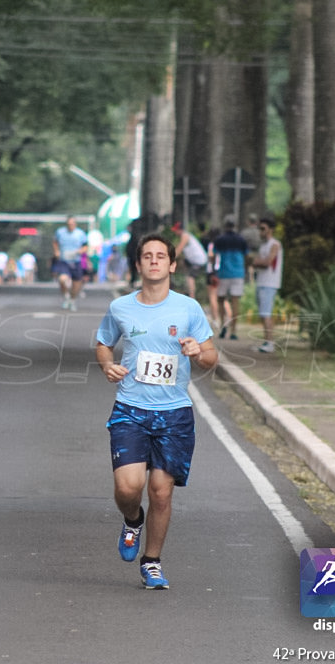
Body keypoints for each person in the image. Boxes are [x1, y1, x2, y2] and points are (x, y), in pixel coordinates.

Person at [95, 233, 219, 589]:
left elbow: (211, 358)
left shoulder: (189, 309)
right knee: (128, 488)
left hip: (174, 413)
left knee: (162, 492)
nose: (153, 260)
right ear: (138, 264)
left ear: (172, 265)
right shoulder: (121, 308)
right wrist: (107, 365)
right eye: (147, 255)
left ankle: (152, 561)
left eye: (160, 256)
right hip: (130, 409)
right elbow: (103, 344)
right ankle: (132, 519)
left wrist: (198, 352)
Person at [211, 216, 249, 340]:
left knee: (221, 300)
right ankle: (234, 331)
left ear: (225, 225)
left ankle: (223, 326)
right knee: (235, 302)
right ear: (235, 226)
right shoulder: (241, 240)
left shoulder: (220, 240)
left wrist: (213, 271)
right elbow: (247, 256)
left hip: (224, 273)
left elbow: (214, 257)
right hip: (238, 273)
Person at [251, 216, 282, 353]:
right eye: (260, 229)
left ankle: (270, 343)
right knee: (263, 313)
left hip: (269, 283)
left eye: (263, 229)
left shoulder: (274, 244)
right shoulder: (264, 245)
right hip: (261, 282)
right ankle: (266, 341)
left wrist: (256, 261)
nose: (261, 232)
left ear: (271, 229)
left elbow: (267, 262)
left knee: (266, 313)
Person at [52, 216, 88, 311]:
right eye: (69, 224)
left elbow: (85, 246)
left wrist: (80, 251)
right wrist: (56, 251)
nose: (70, 226)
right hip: (64, 261)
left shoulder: (80, 234)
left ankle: (72, 300)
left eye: (72, 224)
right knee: (62, 279)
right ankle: (66, 296)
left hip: (76, 261)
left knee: (77, 283)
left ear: (75, 224)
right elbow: (55, 242)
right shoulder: (60, 232)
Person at [171, 221, 208, 299]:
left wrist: (169, 259)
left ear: (179, 230)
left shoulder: (185, 236)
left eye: (176, 230)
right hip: (194, 260)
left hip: (199, 260)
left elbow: (179, 250)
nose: (175, 232)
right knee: (184, 267)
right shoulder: (185, 236)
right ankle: (187, 292)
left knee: (190, 277)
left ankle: (192, 297)